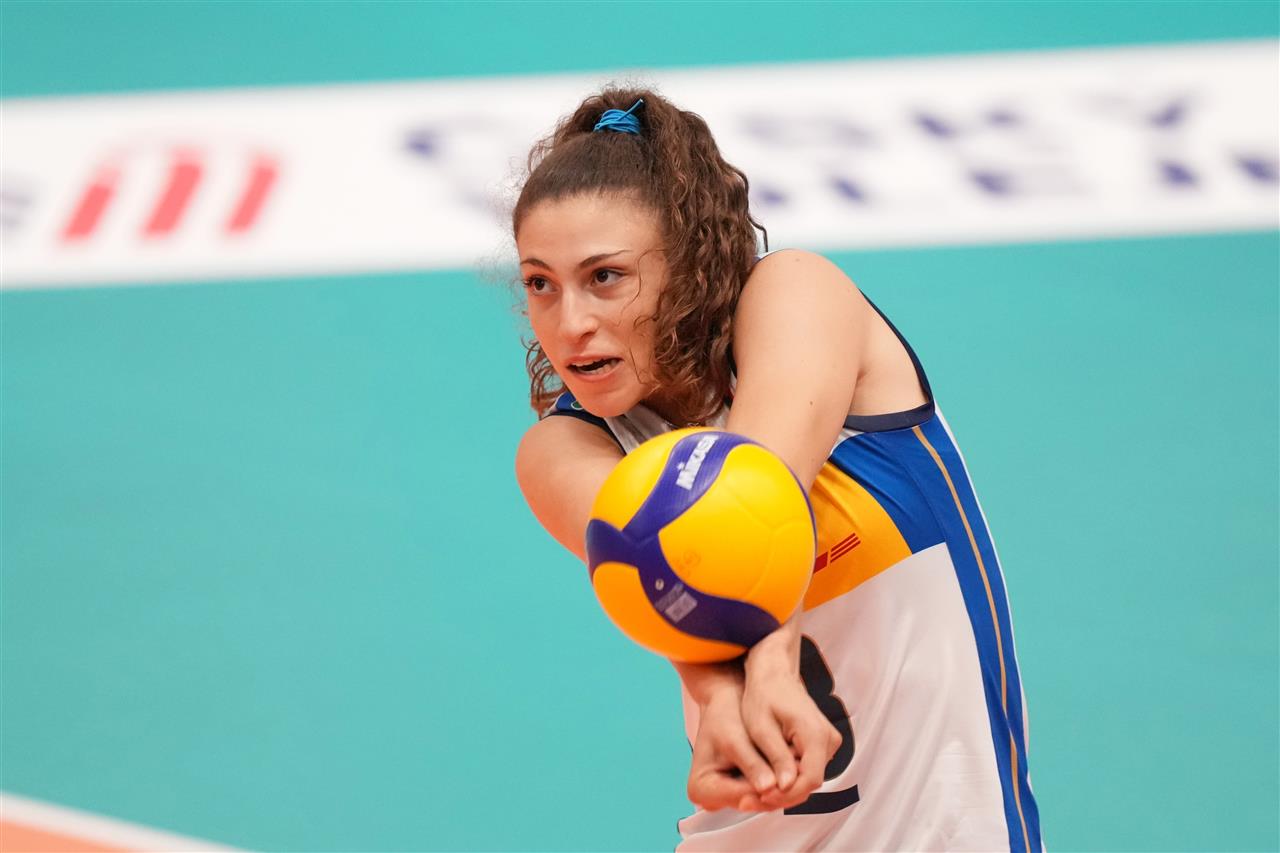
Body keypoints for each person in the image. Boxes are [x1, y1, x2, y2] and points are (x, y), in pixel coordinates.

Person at [512, 88, 1043, 852]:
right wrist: (719, 699)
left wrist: (768, 672)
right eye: (540, 283)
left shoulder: (797, 292)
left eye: (606, 276)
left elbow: (757, 496)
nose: (570, 324)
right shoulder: (561, 450)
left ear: (685, 264)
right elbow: (671, 580)